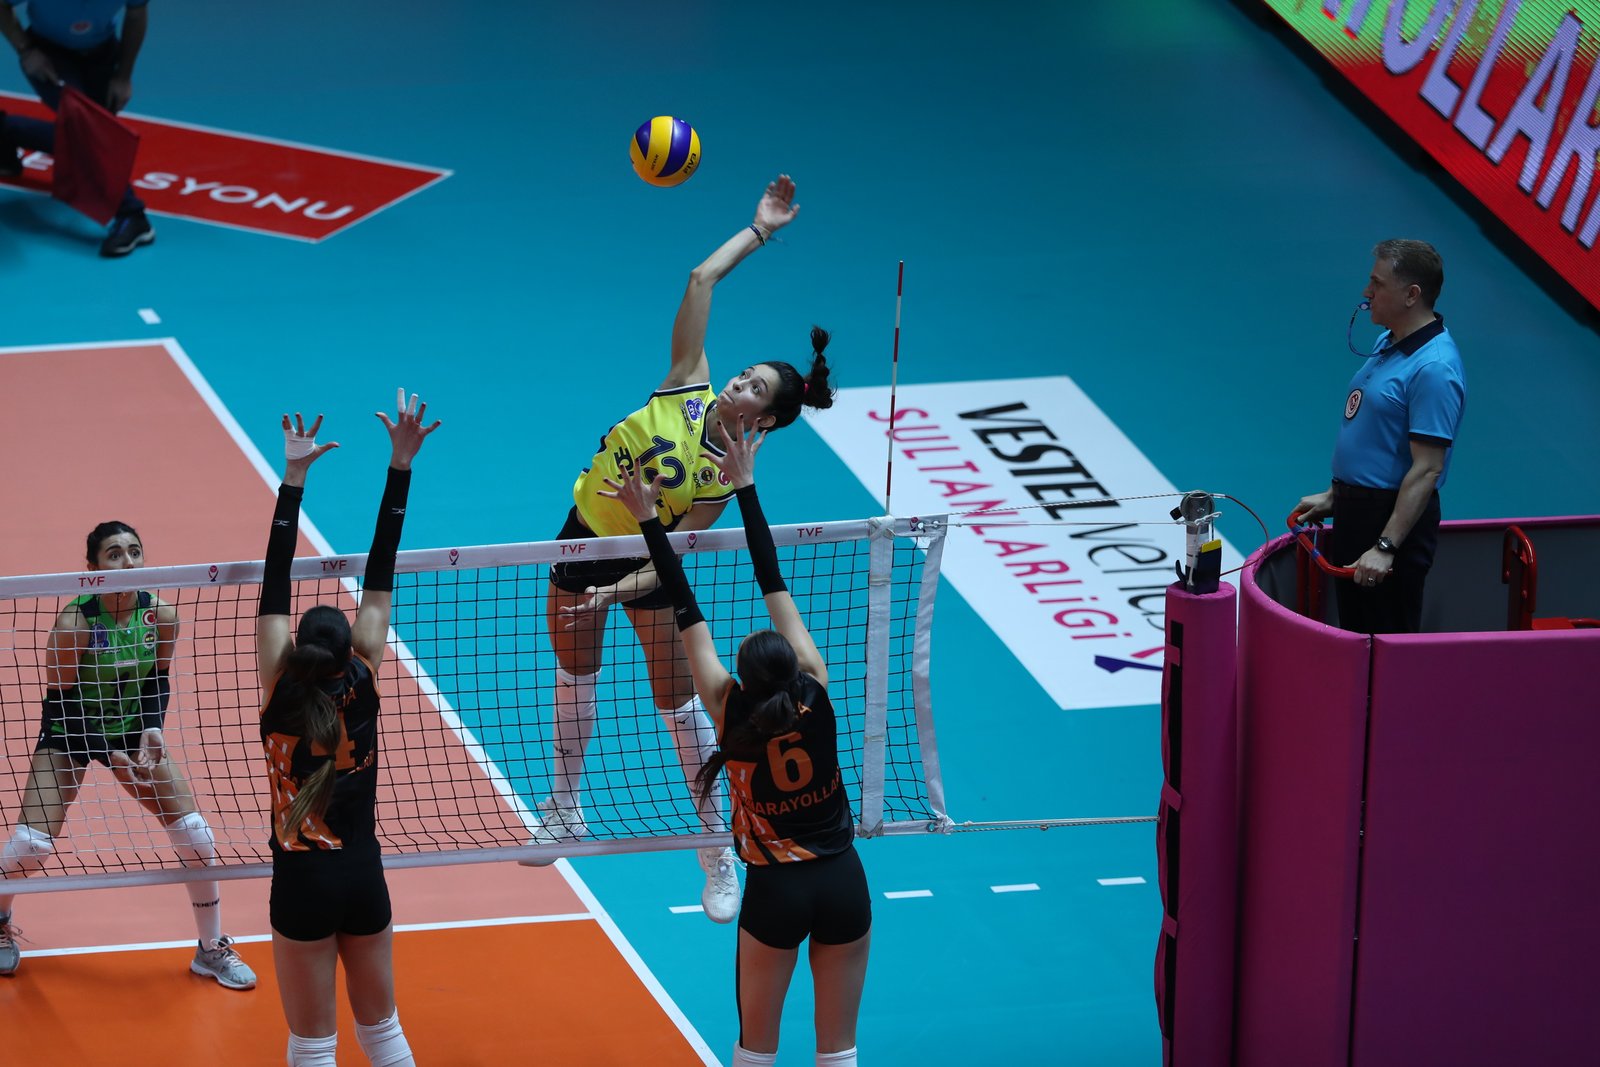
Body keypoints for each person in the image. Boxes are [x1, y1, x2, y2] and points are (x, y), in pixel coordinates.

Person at [530, 173, 836, 926]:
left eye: (753, 389)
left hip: (646, 570)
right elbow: (702, 278)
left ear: (766, 419)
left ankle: (714, 847)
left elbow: (671, 553)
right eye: (744, 374)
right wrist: (760, 229)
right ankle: (563, 808)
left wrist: (613, 592)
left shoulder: (725, 475)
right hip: (582, 535)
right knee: (575, 679)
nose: (738, 383)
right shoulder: (684, 385)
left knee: (681, 704)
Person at [604, 413, 868, 1067]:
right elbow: (772, 577)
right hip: (843, 880)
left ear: (744, 675)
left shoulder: (727, 708)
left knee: (755, 1050)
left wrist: (648, 519)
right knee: (839, 1051)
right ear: (792, 664)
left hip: (775, 890)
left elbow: (683, 600)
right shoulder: (816, 687)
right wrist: (746, 487)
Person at [257, 392, 438, 1067]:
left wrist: (292, 477)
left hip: (302, 882)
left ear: (297, 649)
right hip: (364, 875)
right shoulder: (364, 676)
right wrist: (400, 466)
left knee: (313, 1044)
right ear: (349, 649)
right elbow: (381, 573)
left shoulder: (278, 687)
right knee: (383, 1032)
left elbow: (274, 579)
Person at [0, 521, 255, 988]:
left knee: (196, 836)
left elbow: (157, 678)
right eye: (114, 554)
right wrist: (107, 753)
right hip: (71, 732)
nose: (128, 562)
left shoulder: (161, 615)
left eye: (134, 551)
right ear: (93, 567)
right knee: (30, 845)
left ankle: (210, 948)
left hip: (132, 731)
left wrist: (152, 728)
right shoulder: (75, 623)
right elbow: (59, 704)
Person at [1293, 238, 1466, 634]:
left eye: (1377, 283)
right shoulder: (1388, 340)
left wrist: (1386, 546)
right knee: (1355, 634)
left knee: (1382, 643)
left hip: (1390, 524)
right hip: (1358, 512)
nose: (1366, 292)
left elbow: (1427, 469)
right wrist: (1338, 495)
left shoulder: (1435, 369)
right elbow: (1376, 432)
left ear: (1411, 295)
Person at [0, 0, 155, 256]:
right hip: (50, 55)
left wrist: (123, 76)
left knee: (88, 134)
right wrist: (27, 51)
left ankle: (5, 132)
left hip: (102, 54)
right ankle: (132, 215)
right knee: (84, 127)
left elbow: (136, 13)